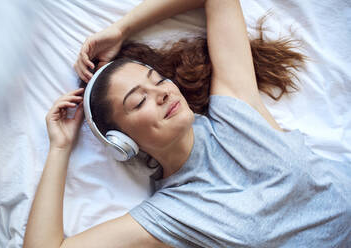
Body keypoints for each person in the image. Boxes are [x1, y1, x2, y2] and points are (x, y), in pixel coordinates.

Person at [23, 0, 351, 247]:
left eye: (159, 80)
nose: (162, 93)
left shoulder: (233, 110)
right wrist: (60, 147)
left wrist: (120, 29)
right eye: (139, 101)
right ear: (122, 142)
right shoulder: (172, 213)